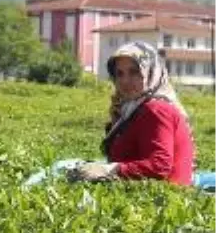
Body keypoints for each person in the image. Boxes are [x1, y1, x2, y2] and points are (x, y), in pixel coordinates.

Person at [68, 40, 194, 185]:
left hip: (161, 198)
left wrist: (110, 170)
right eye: (119, 74)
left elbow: (159, 166)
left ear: (151, 72)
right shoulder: (133, 108)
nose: (125, 81)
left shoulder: (156, 110)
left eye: (134, 72)